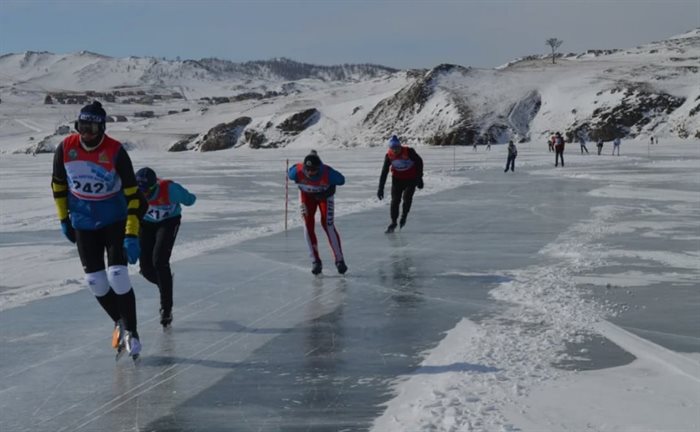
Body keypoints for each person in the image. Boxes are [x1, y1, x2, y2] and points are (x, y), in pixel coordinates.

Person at [51, 101, 143, 359]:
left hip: (113, 220)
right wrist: (63, 219)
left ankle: (132, 331)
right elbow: (58, 186)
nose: (86, 133)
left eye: (92, 127)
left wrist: (132, 234)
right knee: (95, 281)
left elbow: (134, 197)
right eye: (82, 126)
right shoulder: (66, 148)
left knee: (117, 275)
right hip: (83, 222)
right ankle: (119, 321)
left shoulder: (115, 151)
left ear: (102, 127)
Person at [135, 167, 196, 328]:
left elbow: (190, 200)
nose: (144, 195)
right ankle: (165, 281)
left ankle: (166, 309)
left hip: (168, 223)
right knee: (146, 269)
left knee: (160, 261)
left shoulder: (169, 189)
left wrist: (184, 196)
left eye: (147, 191)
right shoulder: (133, 192)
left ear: (154, 186)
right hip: (146, 224)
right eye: (140, 191)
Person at [288, 150, 347, 275]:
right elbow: (290, 171)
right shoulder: (296, 172)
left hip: (324, 197)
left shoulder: (328, 173)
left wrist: (327, 192)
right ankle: (315, 261)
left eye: (313, 170)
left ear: (319, 168)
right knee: (307, 225)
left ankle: (339, 260)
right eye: (307, 169)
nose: (310, 172)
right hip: (306, 197)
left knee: (328, 224)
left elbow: (341, 180)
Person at [377, 135, 424, 233]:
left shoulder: (409, 152)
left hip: (411, 179)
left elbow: (419, 163)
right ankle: (393, 222)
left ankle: (404, 216)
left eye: (397, 148)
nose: (395, 151)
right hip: (397, 180)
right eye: (393, 148)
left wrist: (420, 179)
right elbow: (384, 173)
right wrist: (380, 188)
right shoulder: (389, 156)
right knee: (395, 201)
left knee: (407, 197)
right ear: (390, 148)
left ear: (400, 146)